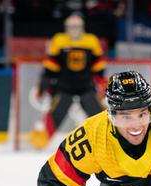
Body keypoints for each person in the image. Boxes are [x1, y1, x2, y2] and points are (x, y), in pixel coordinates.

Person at [31, 13, 108, 150]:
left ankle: (109, 140)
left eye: (77, 26)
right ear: (66, 27)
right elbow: (51, 65)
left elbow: (98, 65)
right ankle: (38, 142)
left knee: (99, 115)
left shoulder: (91, 40)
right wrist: (44, 82)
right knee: (55, 113)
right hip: (63, 86)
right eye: (71, 26)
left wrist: (102, 83)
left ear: (82, 27)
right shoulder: (59, 40)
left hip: (86, 85)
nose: (74, 29)